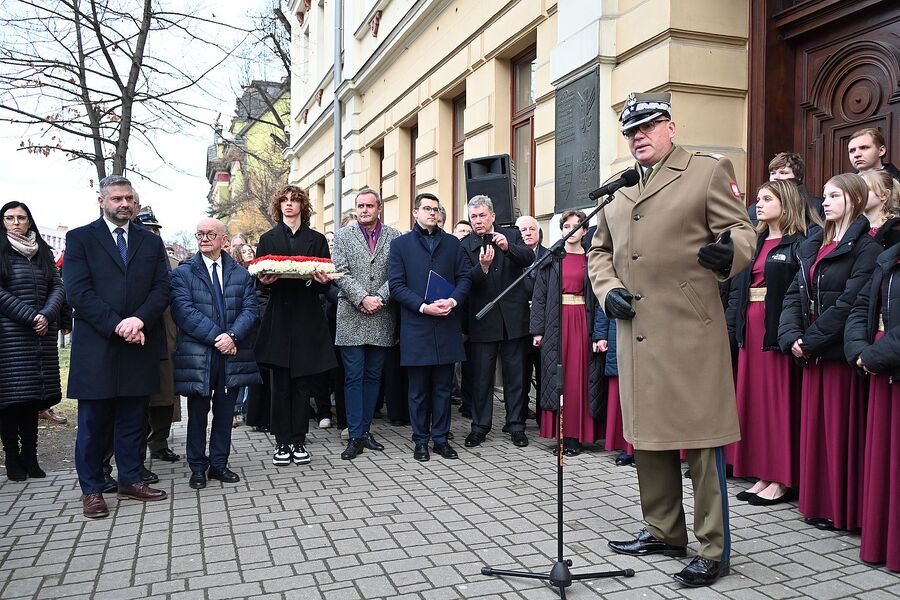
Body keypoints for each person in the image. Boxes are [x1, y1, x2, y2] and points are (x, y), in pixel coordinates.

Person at [587, 92, 756, 587]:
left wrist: (731, 254)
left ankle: (713, 547)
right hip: (635, 330)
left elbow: (742, 230)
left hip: (689, 328)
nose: (639, 136)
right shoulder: (618, 191)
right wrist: (608, 288)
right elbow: (600, 251)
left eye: (648, 126)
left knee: (703, 443)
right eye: (631, 131)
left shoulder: (705, 170)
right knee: (648, 438)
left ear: (670, 127)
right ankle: (663, 530)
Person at [778, 172, 881, 532]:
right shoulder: (814, 243)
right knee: (815, 431)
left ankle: (840, 510)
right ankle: (816, 503)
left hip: (834, 351)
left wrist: (811, 340)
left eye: (834, 196)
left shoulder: (867, 248)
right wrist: (791, 335)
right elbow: (794, 294)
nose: (825, 202)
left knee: (838, 433)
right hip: (810, 350)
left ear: (853, 199)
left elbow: (851, 302)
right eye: (824, 196)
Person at [64, 175, 171, 518]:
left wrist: (138, 320)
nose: (124, 204)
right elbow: (78, 293)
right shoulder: (80, 239)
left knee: (132, 419)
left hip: (139, 342)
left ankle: (130, 478)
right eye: (116, 199)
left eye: (129, 198)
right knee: (94, 422)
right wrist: (118, 324)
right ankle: (92, 489)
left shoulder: (150, 242)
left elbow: (161, 289)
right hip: (97, 346)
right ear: (102, 201)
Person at [725, 180, 807, 506]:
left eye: (767, 199)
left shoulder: (799, 243)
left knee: (777, 403)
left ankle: (781, 477)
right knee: (755, 402)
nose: (758, 204)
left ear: (785, 204)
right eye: (758, 199)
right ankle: (762, 472)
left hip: (775, 327)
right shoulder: (754, 242)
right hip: (751, 325)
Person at [170, 218, 261, 489]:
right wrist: (217, 338)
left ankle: (219, 464)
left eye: (210, 234)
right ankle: (197, 466)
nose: (204, 238)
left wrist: (232, 336)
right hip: (199, 356)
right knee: (197, 412)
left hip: (231, 355)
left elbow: (250, 310)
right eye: (199, 234)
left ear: (224, 239)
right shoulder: (183, 273)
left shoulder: (240, 273)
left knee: (225, 413)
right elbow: (183, 312)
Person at [254, 186, 336, 467]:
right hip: (278, 317)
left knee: (303, 382)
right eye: (285, 201)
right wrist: (263, 282)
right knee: (280, 384)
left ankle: (299, 439)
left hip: (306, 318)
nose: (289, 205)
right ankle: (281, 441)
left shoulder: (316, 239)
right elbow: (259, 280)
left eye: (295, 200)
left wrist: (320, 280)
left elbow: (325, 282)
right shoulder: (268, 239)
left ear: (303, 205)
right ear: (279, 206)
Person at [388, 192, 471, 461]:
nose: (432, 213)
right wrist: (424, 306)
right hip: (417, 325)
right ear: (415, 213)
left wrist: (453, 300)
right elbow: (396, 286)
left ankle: (441, 439)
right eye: (427, 208)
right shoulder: (400, 245)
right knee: (418, 390)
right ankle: (420, 440)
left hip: (447, 323)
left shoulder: (452, 244)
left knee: (444, 389)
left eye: (436, 209)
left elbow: (464, 278)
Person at [331, 188, 400, 460]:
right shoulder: (343, 236)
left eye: (369, 206)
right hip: (351, 314)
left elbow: (397, 273)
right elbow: (340, 272)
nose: (364, 210)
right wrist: (362, 298)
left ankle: (366, 430)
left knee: (374, 376)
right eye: (360, 205)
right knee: (353, 376)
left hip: (382, 314)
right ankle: (355, 434)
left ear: (378, 208)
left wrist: (379, 298)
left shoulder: (394, 237)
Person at [844, 235, 900, 573]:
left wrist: (873, 355)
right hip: (882, 369)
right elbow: (860, 308)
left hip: (888, 363)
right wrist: (859, 352)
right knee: (886, 464)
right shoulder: (889, 258)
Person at [459, 195, 533, 448]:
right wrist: (483, 267)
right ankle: (480, 426)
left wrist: (507, 248)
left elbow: (529, 259)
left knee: (516, 376)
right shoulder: (465, 244)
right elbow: (466, 281)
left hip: (514, 319)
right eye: (473, 217)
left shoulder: (510, 235)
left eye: (482, 216)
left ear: (492, 216)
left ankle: (516, 425)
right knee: (482, 377)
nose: (477, 221)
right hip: (483, 319)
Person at [0, 201, 65, 481]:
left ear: (30, 221)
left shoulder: (42, 252)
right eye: (10, 218)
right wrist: (30, 316)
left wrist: (47, 315)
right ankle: (13, 459)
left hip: (40, 336)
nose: (16, 222)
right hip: (10, 335)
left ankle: (31, 457)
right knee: (10, 401)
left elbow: (57, 285)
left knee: (32, 399)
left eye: (22, 218)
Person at [530, 210, 604, 456]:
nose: (571, 230)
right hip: (556, 321)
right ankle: (560, 434)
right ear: (561, 230)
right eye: (566, 226)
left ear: (585, 231)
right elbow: (539, 297)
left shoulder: (593, 259)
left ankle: (576, 436)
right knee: (557, 377)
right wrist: (537, 330)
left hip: (582, 321)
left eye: (577, 225)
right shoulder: (552, 258)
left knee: (578, 378)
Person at [134, 205, 182, 466]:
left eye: (155, 229)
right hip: (138, 331)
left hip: (167, 331)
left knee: (166, 393)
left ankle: (160, 442)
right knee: (139, 396)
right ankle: (136, 447)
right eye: (146, 229)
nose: (151, 233)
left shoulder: (172, 263)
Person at [517, 215, 548, 424]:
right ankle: (519, 415)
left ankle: (543, 418)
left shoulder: (550, 255)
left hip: (545, 323)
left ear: (538, 233)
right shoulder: (511, 256)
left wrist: (539, 304)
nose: (527, 233)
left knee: (544, 372)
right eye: (522, 231)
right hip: (519, 322)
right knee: (521, 373)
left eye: (531, 229)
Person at [228, 242, 260, 427]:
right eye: (244, 251)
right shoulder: (237, 273)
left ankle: (248, 410)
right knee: (238, 371)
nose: (248, 253)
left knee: (249, 372)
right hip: (240, 328)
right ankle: (235, 409)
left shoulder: (258, 270)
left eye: (250, 250)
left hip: (254, 327)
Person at [860, 169, 900, 248]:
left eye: (865, 189)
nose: (859, 194)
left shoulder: (895, 229)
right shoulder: (851, 226)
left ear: (884, 195)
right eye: (857, 190)